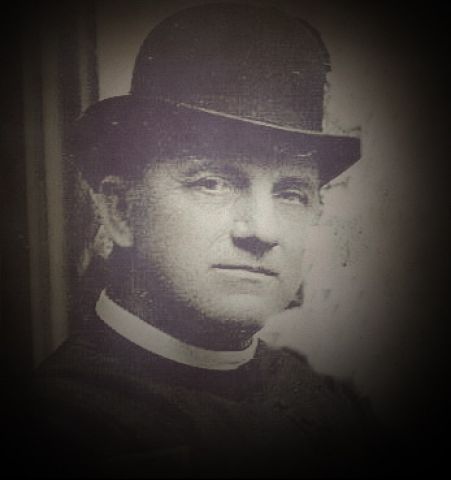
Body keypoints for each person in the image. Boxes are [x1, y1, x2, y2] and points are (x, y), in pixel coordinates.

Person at [30, 3, 378, 477]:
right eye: (212, 183)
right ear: (121, 210)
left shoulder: (323, 405)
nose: (262, 231)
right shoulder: (56, 427)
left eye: (291, 193)